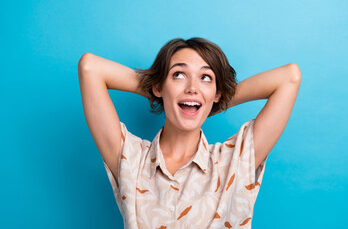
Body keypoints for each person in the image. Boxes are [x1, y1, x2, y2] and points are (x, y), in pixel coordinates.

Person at [77, 37, 301, 229]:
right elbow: (90, 67)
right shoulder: (131, 159)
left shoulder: (235, 162)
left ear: (217, 92)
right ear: (158, 86)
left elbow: (289, 77)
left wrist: (211, 102)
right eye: (178, 75)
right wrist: (163, 95)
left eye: (206, 78)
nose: (192, 87)